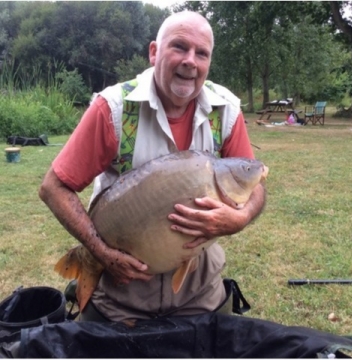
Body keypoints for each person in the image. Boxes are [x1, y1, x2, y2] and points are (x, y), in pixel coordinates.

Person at [39, 10, 266, 323]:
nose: (191, 61)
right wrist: (101, 253)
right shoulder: (114, 108)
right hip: (122, 290)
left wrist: (239, 219)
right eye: (179, 47)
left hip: (200, 290)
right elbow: (53, 187)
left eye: (202, 53)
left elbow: (256, 187)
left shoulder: (225, 108)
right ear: (153, 52)